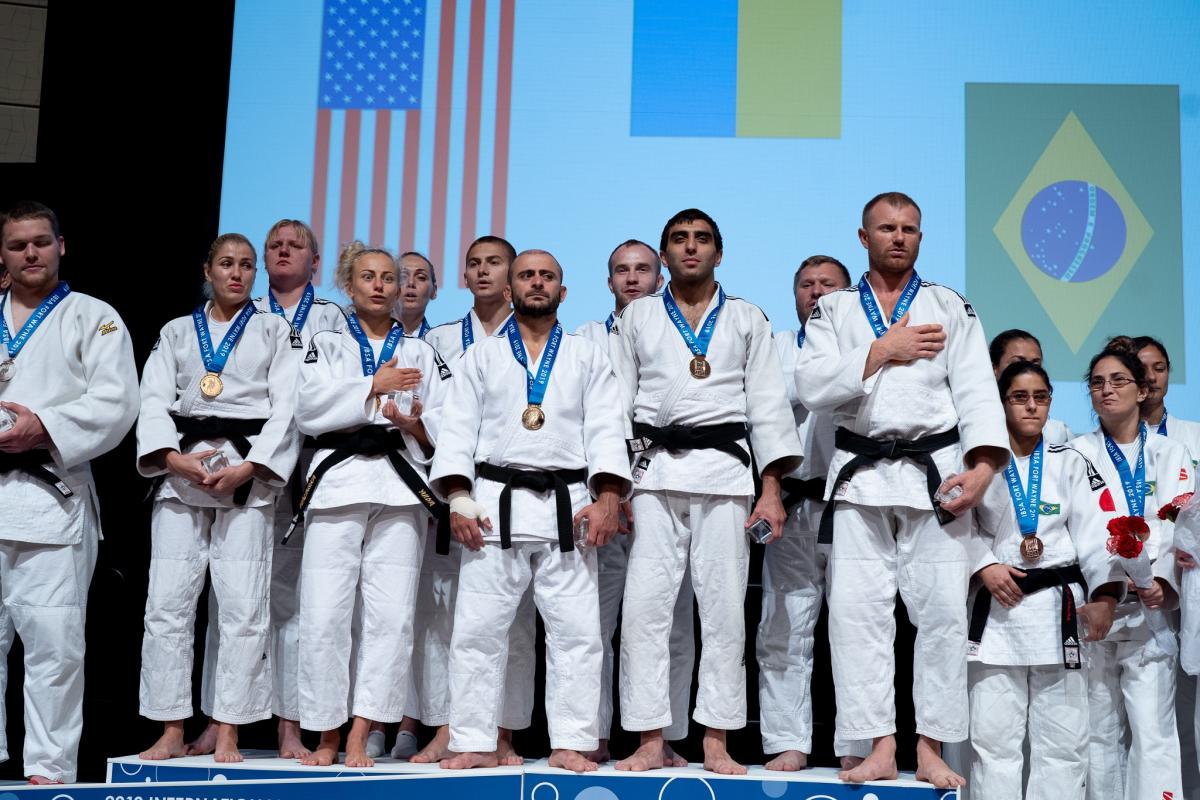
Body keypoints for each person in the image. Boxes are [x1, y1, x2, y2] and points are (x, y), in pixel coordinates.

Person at [795, 192, 1009, 789]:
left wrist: (984, 470)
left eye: (909, 229)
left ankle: (932, 746)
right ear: (862, 238)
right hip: (860, 477)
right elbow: (811, 385)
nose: (898, 237)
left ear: (920, 237)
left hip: (933, 477)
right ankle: (881, 746)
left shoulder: (948, 305)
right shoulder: (833, 310)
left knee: (940, 616)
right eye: (886, 228)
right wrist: (880, 351)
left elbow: (976, 393)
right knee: (856, 618)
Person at [612, 209, 802, 775]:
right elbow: (616, 406)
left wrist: (771, 491)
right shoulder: (639, 317)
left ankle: (716, 738)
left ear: (720, 253)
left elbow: (768, 408)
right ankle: (651, 737)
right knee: (646, 611)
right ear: (664, 255)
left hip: (725, 476)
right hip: (652, 476)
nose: (690, 248)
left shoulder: (747, 317)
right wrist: (612, 488)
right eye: (679, 240)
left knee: (723, 614)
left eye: (702, 240)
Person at [431, 249, 631, 773]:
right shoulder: (482, 357)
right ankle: (474, 739)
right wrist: (456, 498)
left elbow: (607, 428)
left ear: (563, 291)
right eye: (526, 275)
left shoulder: (589, 355)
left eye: (547, 276)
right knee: (477, 631)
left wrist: (609, 497)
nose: (536, 283)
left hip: (569, 511)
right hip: (494, 507)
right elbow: (456, 431)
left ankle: (572, 741)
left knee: (579, 635)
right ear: (508, 289)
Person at [136, 233, 300, 763]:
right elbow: (153, 399)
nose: (238, 273)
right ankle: (169, 727)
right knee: (166, 606)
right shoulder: (177, 331)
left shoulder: (276, 330)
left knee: (243, 607)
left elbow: (288, 408)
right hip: (182, 476)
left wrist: (252, 467)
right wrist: (169, 457)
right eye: (227, 264)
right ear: (206, 269)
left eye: (247, 265)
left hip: (245, 479)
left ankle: (228, 726)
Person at [191, 219, 348, 760]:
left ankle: (290, 723)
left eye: (295, 245)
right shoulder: (242, 316)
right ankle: (218, 717)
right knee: (228, 597)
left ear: (315, 261)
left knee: (295, 602)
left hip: (306, 467)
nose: (284, 251)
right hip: (245, 467)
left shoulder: (334, 318)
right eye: (274, 245)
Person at [292, 242, 450, 767]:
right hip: (337, 484)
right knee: (324, 613)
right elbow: (309, 407)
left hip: (400, 488)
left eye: (389, 277)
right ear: (349, 286)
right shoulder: (325, 341)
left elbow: (448, 423)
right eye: (369, 277)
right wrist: (372, 385)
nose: (381, 285)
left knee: (391, 617)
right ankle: (328, 733)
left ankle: (363, 729)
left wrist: (416, 426)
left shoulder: (423, 352)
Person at [0, 201, 139, 783]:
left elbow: (117, 403)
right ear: (2, 257)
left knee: (54, 647)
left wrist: (44, 426)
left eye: (40, 241)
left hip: (50, 496)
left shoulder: (94, 317)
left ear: (62, 245)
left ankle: (48, 769)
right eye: (17, 245)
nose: (31, 253)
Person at [968, 360, 1126, 799]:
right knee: (994, 742)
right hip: (999, 610)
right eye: (1020, 397)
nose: (1032, 407)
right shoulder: (979, 461)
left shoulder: (1071, 461)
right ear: (1000, 403)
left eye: (1041, 397)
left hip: (1060, 613)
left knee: (1063, 744)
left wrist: (1106, 596)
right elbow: (954, 524)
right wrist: (982, 564)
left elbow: (1098, 534)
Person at [411, 234, 534, 765]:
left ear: (512, 277)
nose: (483, 272)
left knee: (519, 622)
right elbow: (432, 410)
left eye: (495, 264)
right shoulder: (438, 339)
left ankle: (505, 731)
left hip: (514, 491)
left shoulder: (537, 335)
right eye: (474, 265)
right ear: (463, 277)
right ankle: (448, 726)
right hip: (452, 485)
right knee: (446, 619)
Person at [574, 239, 692, 765]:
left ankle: (662, 736)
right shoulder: (582, 339)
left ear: (660, 275)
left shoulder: (677, 333)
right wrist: (606, 491)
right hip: (599, 496)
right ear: (608, 281)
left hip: (662, 490)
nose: (632, 278)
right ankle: (592, 733)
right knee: (592, 623)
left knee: (670, 622)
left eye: (642, 269)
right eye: (620, 270)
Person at [757, 254, 870, 772]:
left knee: (858, 626)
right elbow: (761, 417)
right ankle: (788, 741)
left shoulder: (870, 350)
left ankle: (859, 743)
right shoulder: (776, 347)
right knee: (784, 626)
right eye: (806, 284)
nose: (817, 293)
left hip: (853, 502)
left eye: (829, 285)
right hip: (792, 499)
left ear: (849, 295)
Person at [1071, 345, 1191, 800]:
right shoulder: (1075, 452)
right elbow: (1079, 529)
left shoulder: (1171, 451)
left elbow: (1180, 528)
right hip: (1097, 612)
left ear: (1143, 390)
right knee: (1099, 735)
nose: (1107, 390)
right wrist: (1108, 585)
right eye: (1098, 382)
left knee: (1154, 734)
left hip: (1151, 615)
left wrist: (1160, 582)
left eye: (1119, 380)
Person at [988, 329, 1074, 445]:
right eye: (1017, 363)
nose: (1027, 370)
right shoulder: (974, 428)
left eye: (1035, 364)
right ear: (994, 369)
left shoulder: (1058, 434)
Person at [396, 251, 438, 339]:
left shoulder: (439, 345)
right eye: (402, 276)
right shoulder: (365, 339)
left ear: (434, 291)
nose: (411, 283)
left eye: (421, 277)